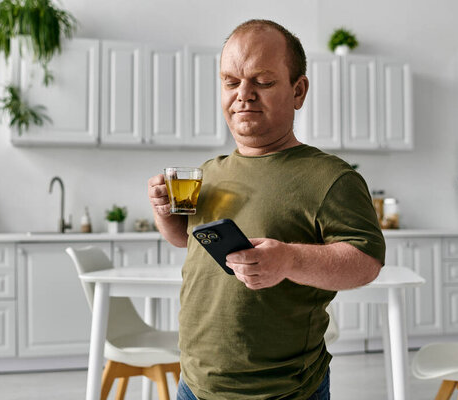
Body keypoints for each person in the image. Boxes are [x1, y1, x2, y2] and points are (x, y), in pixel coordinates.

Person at [148, 19, 385, 400]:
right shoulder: (208, 172)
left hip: (284, 391)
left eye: (263, 81)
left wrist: (289, 259)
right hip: (194, 384)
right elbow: (184, 240)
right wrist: (165, 213)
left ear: (298, 90)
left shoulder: (331, 177)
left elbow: (366, 263)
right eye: (231, 81)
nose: (244, 94)